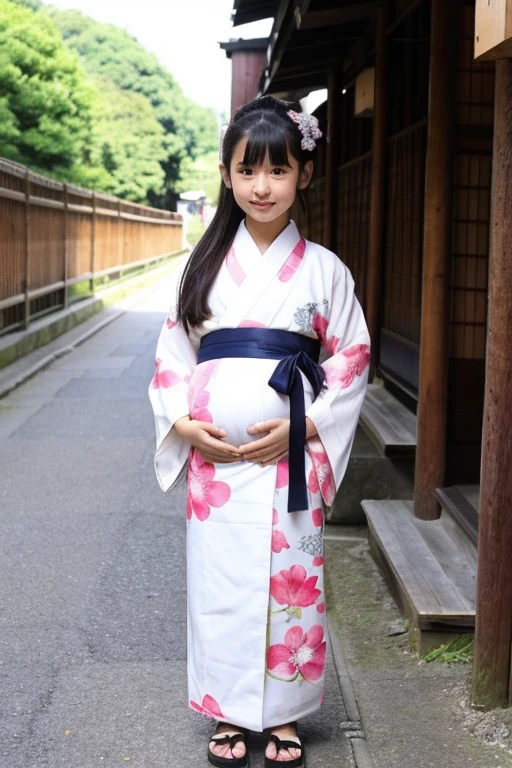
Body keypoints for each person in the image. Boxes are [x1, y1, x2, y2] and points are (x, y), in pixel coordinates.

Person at [148, 95, 370, 768]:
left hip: (289, 459)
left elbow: (350, 359)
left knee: (289, 579)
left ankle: (284, 715)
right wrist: (184, 422)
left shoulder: (325, 270)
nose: (263, 186)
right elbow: (172, 355)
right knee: (219, 581)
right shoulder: (200, 267)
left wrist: (305, 428)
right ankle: (228, 708)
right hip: (217, 463)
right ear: (226, 174)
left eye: (279, 170)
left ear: (304, 173)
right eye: (249, 171)